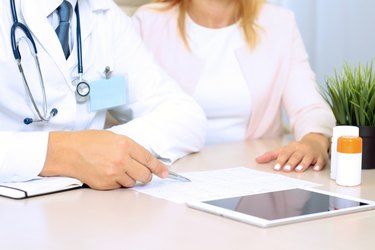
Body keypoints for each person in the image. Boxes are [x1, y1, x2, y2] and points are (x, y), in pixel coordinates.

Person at [0, 0, 207, 189]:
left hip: (88, 205)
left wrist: (106, 147)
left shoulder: (105, 15)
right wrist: (59, 153)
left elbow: (187, 116)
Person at [132, 0, 335, 173]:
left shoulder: (278, 22)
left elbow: (309, 105)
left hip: (257, 177)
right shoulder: (148, 22)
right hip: (168, 174)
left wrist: (315, 140)